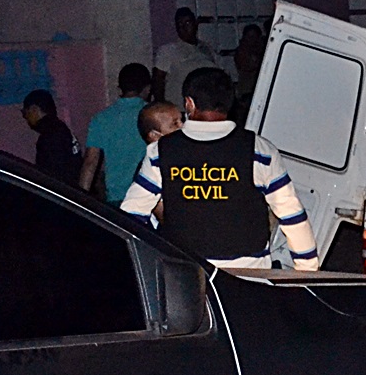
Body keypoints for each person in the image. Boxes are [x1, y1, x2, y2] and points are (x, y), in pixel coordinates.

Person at [123, 68, 318, 271]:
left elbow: (131, 215)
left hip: (187, 275)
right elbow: (292, 215)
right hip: (250, 275)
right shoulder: (260, 150)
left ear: (189, 103)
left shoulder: (160, 152)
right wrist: (307, 271)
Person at [85, 64, 154, 206]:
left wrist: (80, 200)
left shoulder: (101, 118)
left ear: (119, 89)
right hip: (150, 195)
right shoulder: (154, 116)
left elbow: (90, 163)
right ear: (147, 88)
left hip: (117, 197)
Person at [155, 8, 224, 103]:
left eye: (187, 23)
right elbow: (158, 81)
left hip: (205, 107)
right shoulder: (168, 51)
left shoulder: (207, 49)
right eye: (180, 25)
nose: (184, 28)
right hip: (179, 107)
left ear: (195, 24)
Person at [21, 90, 84, 187]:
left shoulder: (49, 136)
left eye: (25, 113)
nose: (26, 118)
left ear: (34, 109)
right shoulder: (60, 128)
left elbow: (50, 174)